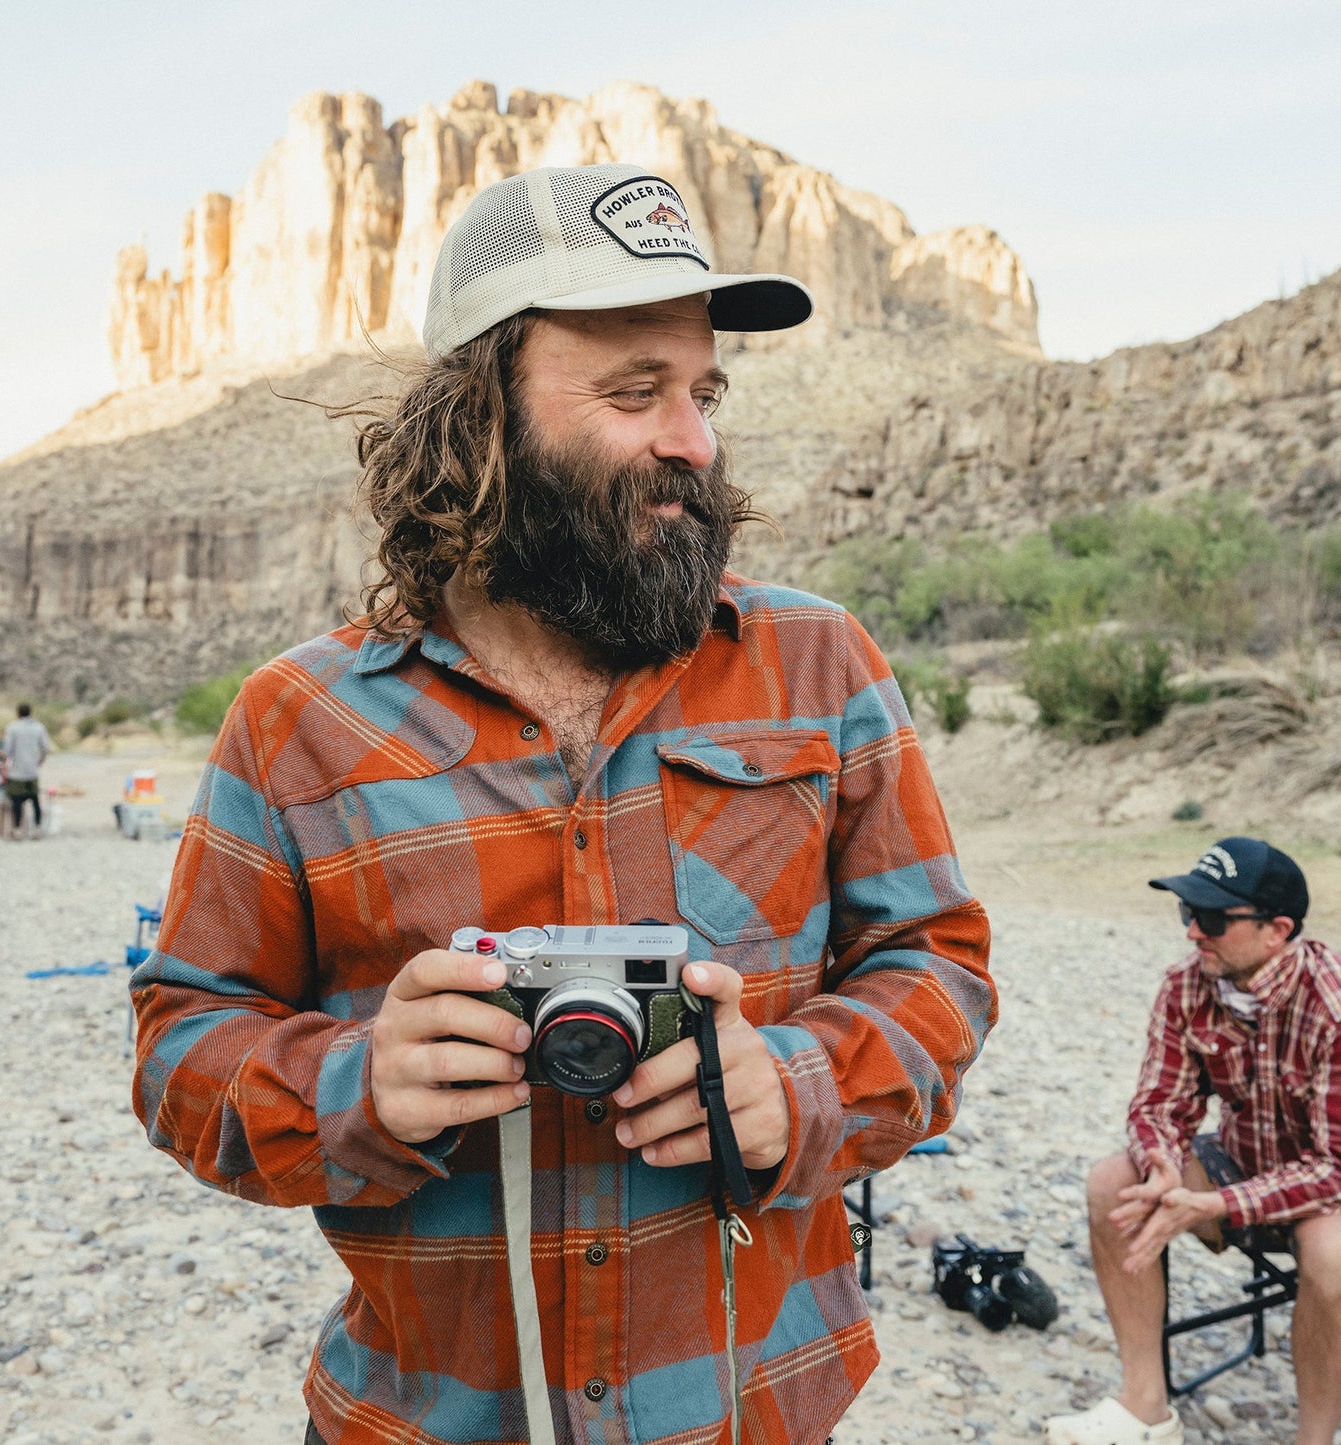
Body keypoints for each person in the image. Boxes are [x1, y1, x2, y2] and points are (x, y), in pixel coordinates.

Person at [132, 163, 996, 1445]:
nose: (691, 440)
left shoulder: (819, 665)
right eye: (633, 390)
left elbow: (939, 964)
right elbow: (176, 1041)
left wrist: (797, 1084)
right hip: (423, 1417)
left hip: (752, 1411)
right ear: (480, 414)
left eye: (702, 391)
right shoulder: (298, 719)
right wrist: (354, 1085)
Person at [1045, 837, 1341, 1445]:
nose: (1191, 933)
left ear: (1276, 930)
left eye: (1210, 918)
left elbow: (1335, 1167)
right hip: (1239, 1164)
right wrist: (1160, 1164)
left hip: (1326, 1192)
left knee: (1333, 1257)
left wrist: (1217, 1206)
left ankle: (1314, 1437)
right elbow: (1158, 1103)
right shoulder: (1188, 984)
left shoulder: (1332, 1005)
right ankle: (1146, 1408)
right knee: (1114, 1181)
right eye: (1188, 914)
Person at [0, 702, 51, 839]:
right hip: (32, 770)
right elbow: (45, 748)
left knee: (16, 801)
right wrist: (40, 760)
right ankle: (37, 829)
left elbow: (7, 750)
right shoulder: (39, 727)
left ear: (18, 713)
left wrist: (4, 764)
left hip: (16, 771)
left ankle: (17, 829)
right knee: (34, 800)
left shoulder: (13, 728)